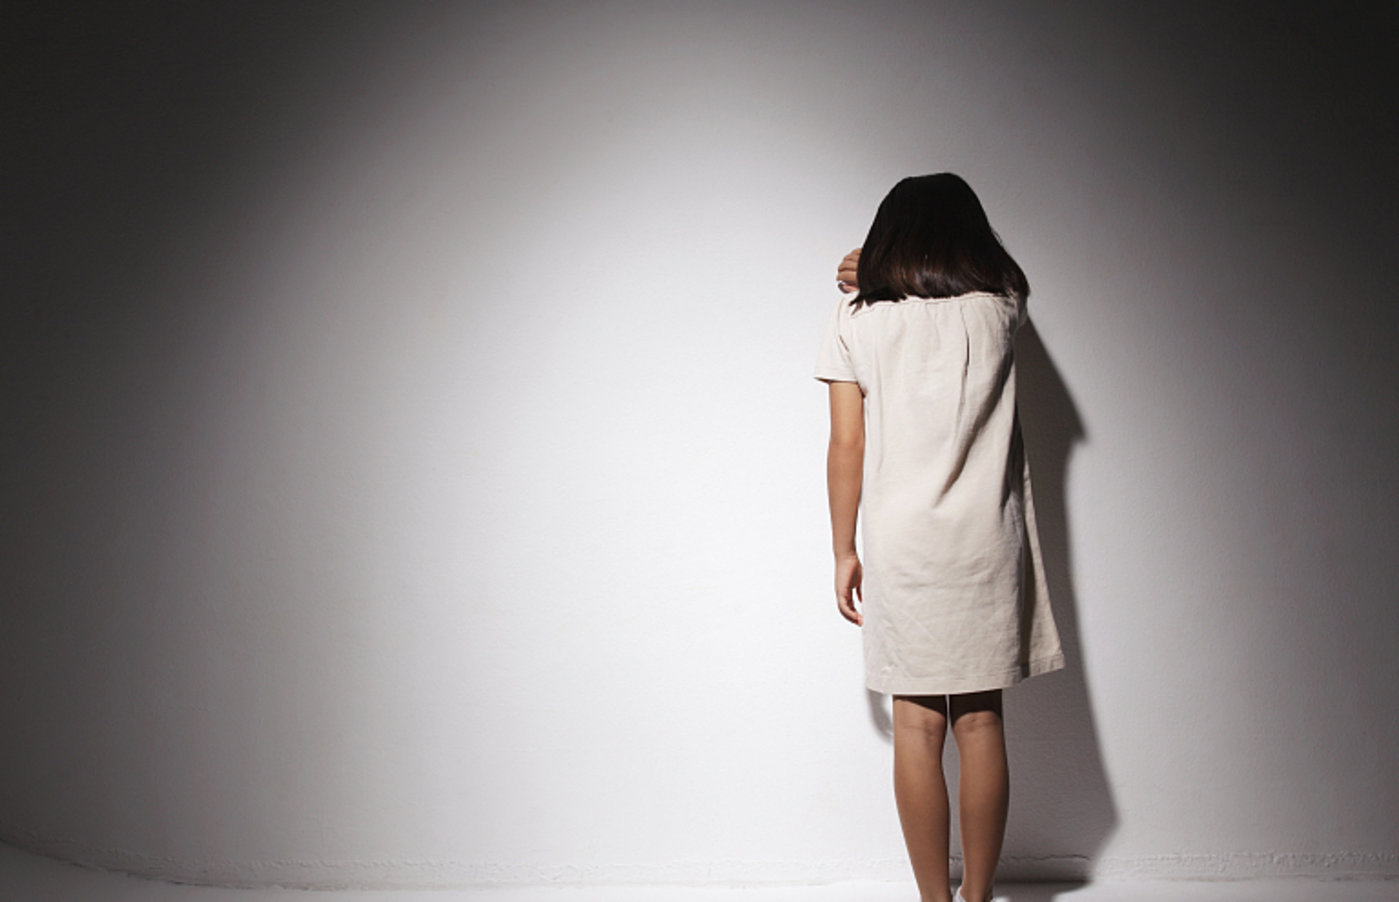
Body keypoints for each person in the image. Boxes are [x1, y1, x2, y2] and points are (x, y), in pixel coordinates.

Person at [814, 174, 1066, 902]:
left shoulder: (855, 316)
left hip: (902, 544)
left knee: (916, 729)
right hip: (985, 540)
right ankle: (977, 898)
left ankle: (934, 901)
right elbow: (1005, 272)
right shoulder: (999, 306)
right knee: (980, 723)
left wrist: (843, 550)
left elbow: (846, 444)